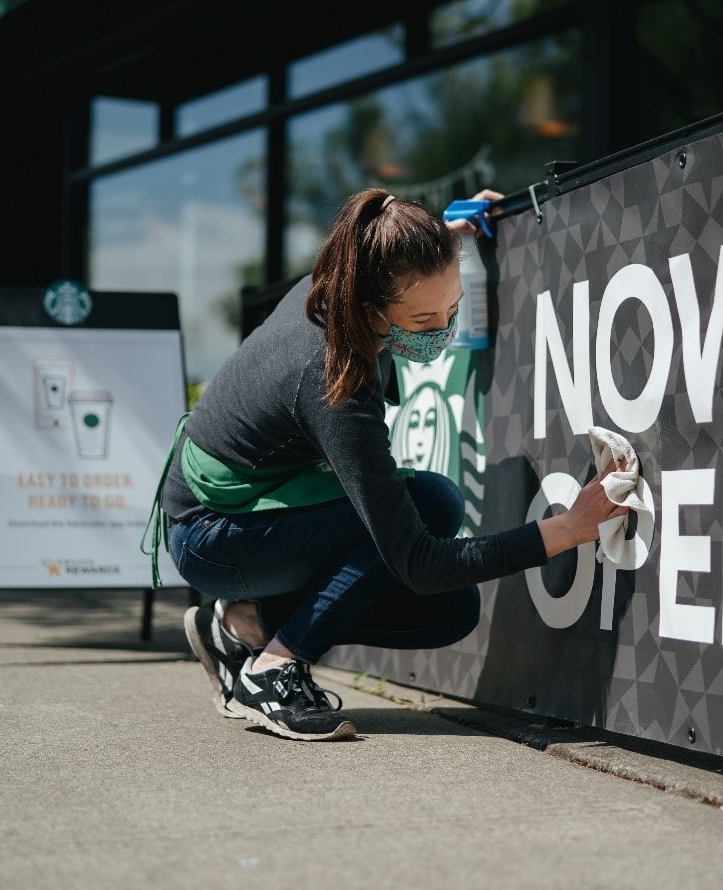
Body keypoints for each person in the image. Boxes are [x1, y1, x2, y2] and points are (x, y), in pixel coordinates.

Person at [149, 187, 628, 742]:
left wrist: (436, 239)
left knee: (449, 612)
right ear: (371, 308)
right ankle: (272, 668)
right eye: (424, 319)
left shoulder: (344, 277)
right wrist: (568, 529)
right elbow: (418, 562)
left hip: (245, 508)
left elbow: (392, 262)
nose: (442, 331)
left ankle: (242, 625)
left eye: (451, 308)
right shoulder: (334, 381)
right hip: (210, 537)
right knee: (432, 505)